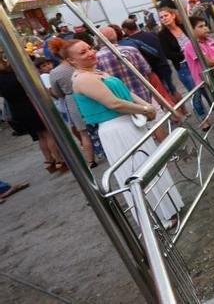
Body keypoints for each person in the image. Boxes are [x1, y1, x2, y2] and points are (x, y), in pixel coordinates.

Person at [68, 40, 183, 223]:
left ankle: (168, 206)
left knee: (147, 163)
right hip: (116, 128)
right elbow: (114, 103)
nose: (90, 53)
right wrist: (145, 110)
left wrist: (146, 107)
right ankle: (157, 218)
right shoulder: (83, 79)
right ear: (72, 61)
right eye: (82, 52)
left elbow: (127, 93)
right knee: (136, 170)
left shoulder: (95, 71)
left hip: (129, 123)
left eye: (89, 48)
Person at [0, 53, 66, 173]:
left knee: (39, 136)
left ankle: (49, 161)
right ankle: (59, 160)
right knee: (48, 133)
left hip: (17, 109)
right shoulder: (15, 73)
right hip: (31, 105)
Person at [48, 39, 100, 168]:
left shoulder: (55, 72)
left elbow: (57, 93)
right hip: (90, 95)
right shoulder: (81, 64)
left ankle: (90, 161)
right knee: (101, 124)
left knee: (83, 133)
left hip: (72, 100)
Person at [157, 1, 207, 119]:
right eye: (161, 17)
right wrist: (186, 54)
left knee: (208, 90)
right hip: (184, 67)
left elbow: (196, 39)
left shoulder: (184, 26)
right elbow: (168, 54)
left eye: (166, 15)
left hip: (198, 62)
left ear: (173, 15)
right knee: (196, 93)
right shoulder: (162, 35)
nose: (164, 19)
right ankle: (203, 118)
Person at [120, 20, 179, 101]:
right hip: (164, 64)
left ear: (126, 29)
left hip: (153, 70)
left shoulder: (131, 42)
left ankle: (177, 111)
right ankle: (184, 110)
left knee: (166, 93)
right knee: (172, 88)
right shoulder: (151, 34)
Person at [182, 16, 214, 109]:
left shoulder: (210, 40)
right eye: (200, 26)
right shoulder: (191, 45)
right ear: (191, 30)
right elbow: (208, 63)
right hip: (207, 82)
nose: (205, 28)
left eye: (205, 25)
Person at [96, 27, 153, 103]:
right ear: (116, 36)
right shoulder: (132, 50)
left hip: (122, 102)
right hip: (143, 95)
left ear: (98, 40)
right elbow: (147, 70)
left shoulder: (96, 58)